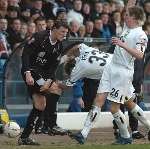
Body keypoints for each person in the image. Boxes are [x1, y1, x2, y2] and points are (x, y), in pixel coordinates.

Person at [70, 3, 150, 145]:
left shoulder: (141, 34)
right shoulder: (127, 28)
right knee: (99, 100)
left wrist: (122, 44)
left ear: (136, 19)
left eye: (128, 16)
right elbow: (129, 6)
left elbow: (139, 54)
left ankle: (126, 136)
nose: (125, 17)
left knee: (117, 107)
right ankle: (83, 134)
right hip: (111, 68)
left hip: (123, 72)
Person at [18, 20, 69, 145]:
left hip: (42, 74)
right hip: (31, 71)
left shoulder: (59, 46)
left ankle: (24, 137)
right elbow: (25, 55)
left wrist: (48, 81)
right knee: (56, 89)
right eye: (62, 32)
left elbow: (52, 68)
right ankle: (51, 125)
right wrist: (27, 73)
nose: (64, 35)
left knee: (40, 104)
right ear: (54, 28)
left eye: (66, 33)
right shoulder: (39, 37)